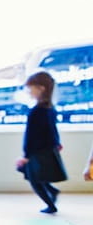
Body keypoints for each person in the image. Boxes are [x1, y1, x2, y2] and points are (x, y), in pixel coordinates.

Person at [16, 71, 67, 213]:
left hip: (38, 151)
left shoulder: (37, 111)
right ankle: (52, 192)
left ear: (41, 88)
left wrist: (26, 155)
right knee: (38, 176)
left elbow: (31, 135)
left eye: (31, 88)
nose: (29, 92)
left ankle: (51, 204)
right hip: (46, 149)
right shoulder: (49, 109)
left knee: (35, 179)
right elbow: (52, 130)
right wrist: (57, 142)